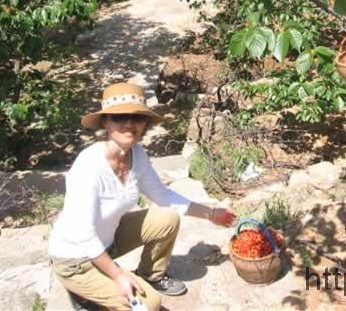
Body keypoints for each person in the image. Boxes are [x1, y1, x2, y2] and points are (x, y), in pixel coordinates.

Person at [48, 82, 237, 311]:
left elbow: (162, 194)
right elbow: (84, 235)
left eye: (137, 118)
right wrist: (118, 275)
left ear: (145, 124)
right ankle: (83, 291)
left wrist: (210, 213)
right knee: (149, 304)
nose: (129, 124)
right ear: (106, 123)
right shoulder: (89, 166)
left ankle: (151, 275)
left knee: (167, 219)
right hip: (76, 259)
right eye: (119, 117)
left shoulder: (136, 153)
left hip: (109, 240)